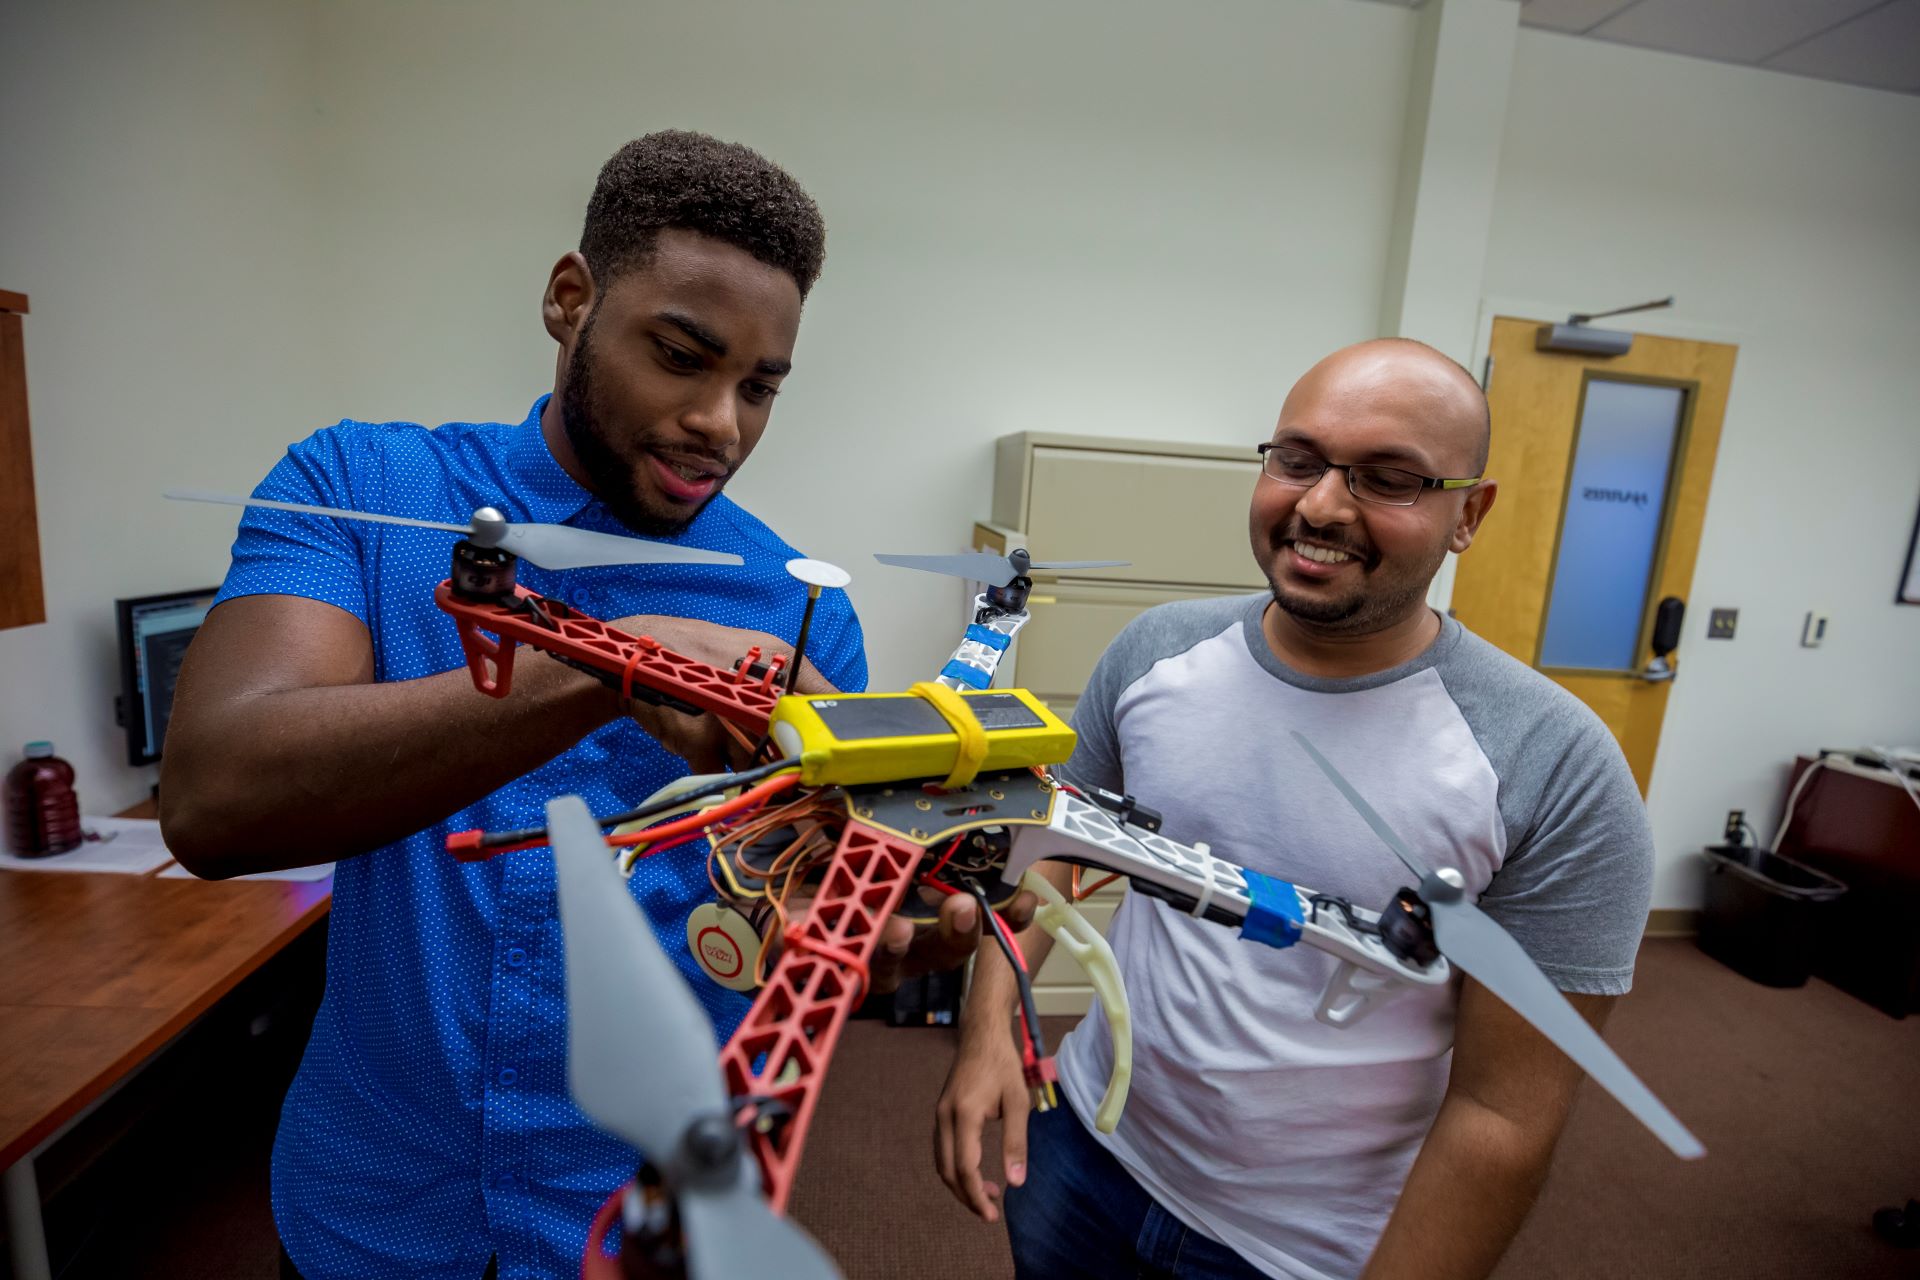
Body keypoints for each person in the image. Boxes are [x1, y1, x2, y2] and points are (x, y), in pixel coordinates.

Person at [162, 131, 987, 1280]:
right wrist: (608, 663)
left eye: (759, 387)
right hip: (375, 1209)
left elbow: (774, 894)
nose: (721, 423)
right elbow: (213, 796)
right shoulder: (359, 487)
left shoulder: (800, 616)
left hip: (631, 1223)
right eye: (682, 355)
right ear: (569, 299)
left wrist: (845, 933)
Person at [934, 337, 1657, 1280]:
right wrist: (993, 1025)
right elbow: (1051, 860)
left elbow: (1506, 1113)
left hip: (1305, 1252)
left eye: (1388, 478)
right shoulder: (1157, 652)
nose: (1319, 505)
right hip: (1083, 1150)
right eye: (1297, 459)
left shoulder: (1553, 767)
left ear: (1469, 513)